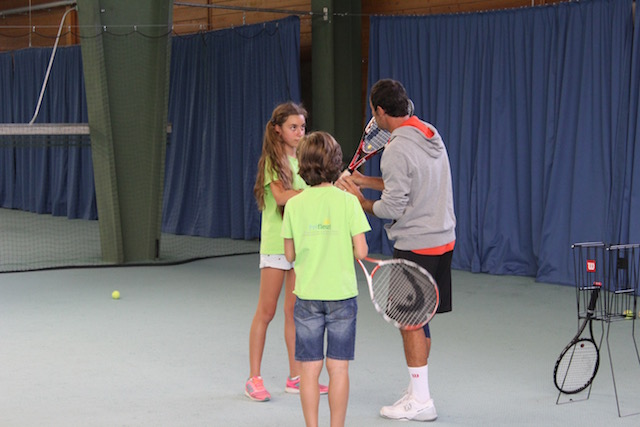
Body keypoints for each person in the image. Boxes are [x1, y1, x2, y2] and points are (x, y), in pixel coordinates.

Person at [336, 79, 456, 422]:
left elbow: (392, 206)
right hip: (443, 240)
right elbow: (409, 183)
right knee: (421, 319)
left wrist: (360, 202)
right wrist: (364, 181)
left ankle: (421, 402)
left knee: (409, 322)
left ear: (379, 111)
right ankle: (418, 389)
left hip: (416, 244)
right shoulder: (429, 133)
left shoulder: (396, 149)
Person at [281, 131, 371, 427]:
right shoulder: (348, 202)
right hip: (342, 297)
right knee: (338, 369)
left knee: (309, 371)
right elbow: (361, 250)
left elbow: (289, 255)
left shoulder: (293, 205)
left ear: (302, 166)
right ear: (335, 164)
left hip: (307, 296)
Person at [246, 102, 328, 401]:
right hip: (275, 245)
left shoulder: (305, 162)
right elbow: (281, 197)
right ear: (278, 129)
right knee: (266, 312)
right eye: (293, 127)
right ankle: (254, 378)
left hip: (300, 245)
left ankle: (295, 377)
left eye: (302, 127)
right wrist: (312, 193)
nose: (299, 132)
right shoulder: (271, 161)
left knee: (294, 312)